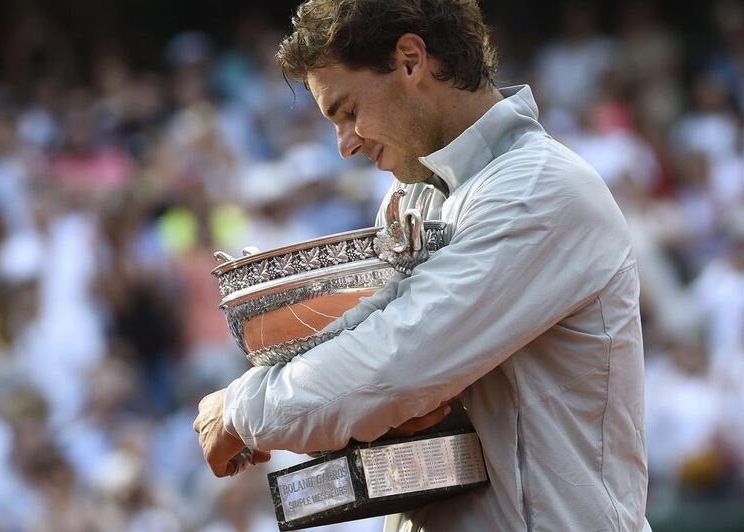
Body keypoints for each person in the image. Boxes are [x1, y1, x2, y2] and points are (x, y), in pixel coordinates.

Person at [194, 1, 651, 530]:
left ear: (411, 60)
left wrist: (242, 408)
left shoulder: (538, 189)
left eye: (347, 111)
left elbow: (388, 370)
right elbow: (378, 392)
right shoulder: (409, 199)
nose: (344, 145)